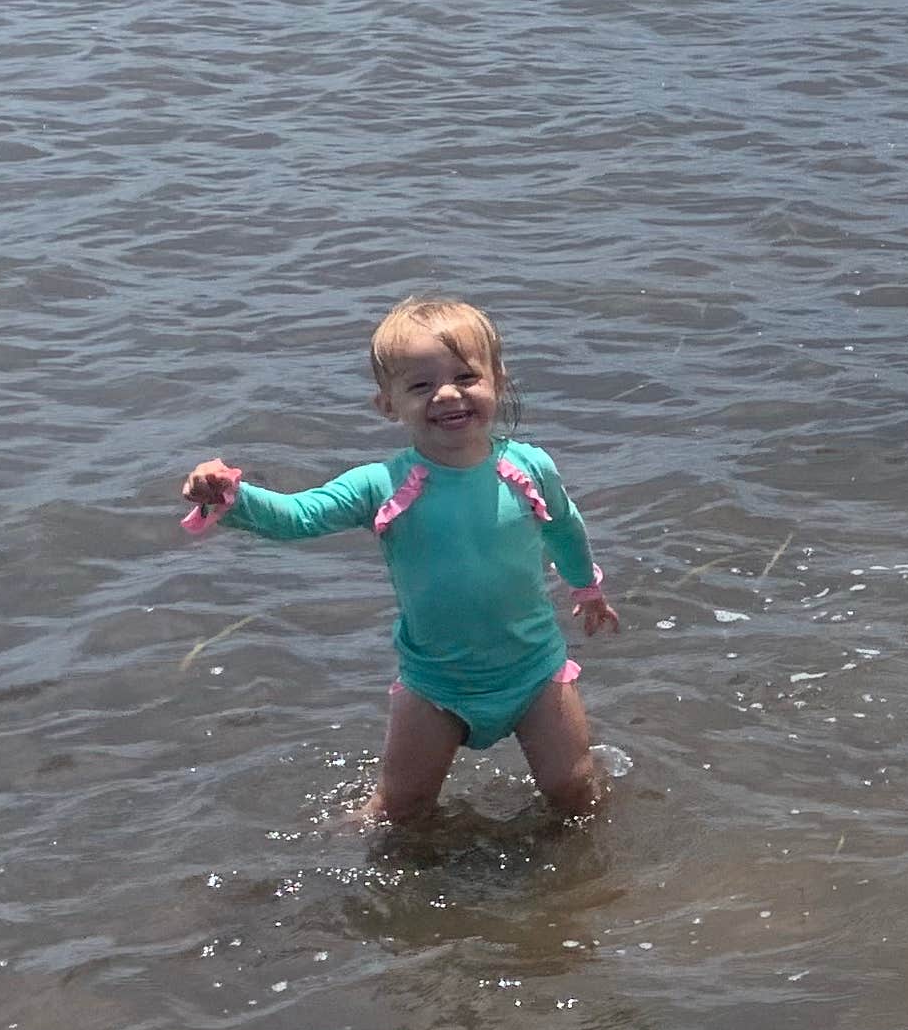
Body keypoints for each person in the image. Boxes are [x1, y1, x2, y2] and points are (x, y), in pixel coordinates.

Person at [178, 295, 620, 826]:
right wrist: (231, 496)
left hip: (533, 671)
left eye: (466, 376)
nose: (447, 394)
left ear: (498, 381)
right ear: (388, 404)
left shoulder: (529, 467)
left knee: (575, 792)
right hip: (435, 684)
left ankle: (593, 873)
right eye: (421, 385)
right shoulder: (381, 484)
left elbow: (564, 525)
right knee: (400, 810)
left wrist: (586, 587)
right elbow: (299, 516)